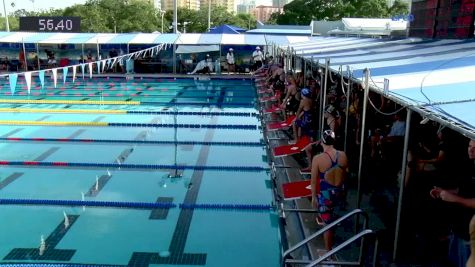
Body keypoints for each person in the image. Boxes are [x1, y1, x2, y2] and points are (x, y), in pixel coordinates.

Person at [430, 138, 475, 267]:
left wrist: (455, 198)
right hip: (458, 228)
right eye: (469, 146)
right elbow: (464, 190)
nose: (471, 150)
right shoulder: (470, 166)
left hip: (470, 234)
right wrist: (445, 192)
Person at [311, 130, 348, 252]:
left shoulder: (318, 159)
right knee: (333, 219)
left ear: (322, 142)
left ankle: (328, 253)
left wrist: (313, 198)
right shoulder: (343, 155)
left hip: (326, 197)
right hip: (340, 194)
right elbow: (345, 174)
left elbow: (314, 182)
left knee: (328, 225)